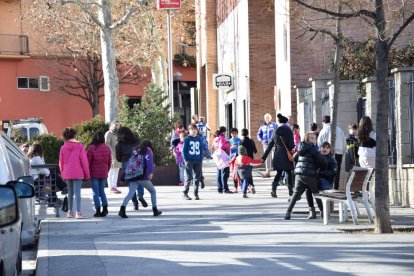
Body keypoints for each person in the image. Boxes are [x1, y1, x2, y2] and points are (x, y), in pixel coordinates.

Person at [285, 132, 327, 220]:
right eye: (312, 138)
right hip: (310, 174)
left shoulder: (300, 146)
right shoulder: (313, 148)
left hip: (299, 174)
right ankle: (323, 212)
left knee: (296, 193)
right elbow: (322, 160)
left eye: (314, 138)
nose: (313, 140)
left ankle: (288, 212)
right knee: (316, 193)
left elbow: (295, 157)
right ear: (308, 139)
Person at [118, 139, 162, 218]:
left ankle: (122, 210)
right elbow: (149, 162)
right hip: (142, 177)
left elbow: (129, 164)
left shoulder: (135, 151)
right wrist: (151, 172)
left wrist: (123, 177)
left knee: (130, 193)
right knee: (153, 191)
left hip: (132, 176)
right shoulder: (148, 151)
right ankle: (155, 210)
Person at [59, 128, 90, 219]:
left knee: (70, 192)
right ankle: (78, 212)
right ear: (74, 135)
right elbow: (84, 161)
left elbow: (61, 162)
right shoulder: (80, 146)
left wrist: (63, 174)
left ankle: (69, 212)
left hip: (67, 173)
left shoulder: (63, 147)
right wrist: (87, 174)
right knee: (77, 193)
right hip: (78, 172)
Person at [261, 114, 294, 198]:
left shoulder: (275, 131)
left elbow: (270, 145)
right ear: (286, 122)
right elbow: (291, 145)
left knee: (278, 173)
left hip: (277, 154)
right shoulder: (289, 130)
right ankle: (291, 191)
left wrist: (263, 158)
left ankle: (273, 189)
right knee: (289, 173)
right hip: (286, 154)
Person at [115, 127, 147, 210]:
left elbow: (118, 158)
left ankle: (134, 203)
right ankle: (140, 195)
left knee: (131, 184)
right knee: (140, 181)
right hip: (137, 163)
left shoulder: (119, 145)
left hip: (126, 164)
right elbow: (142, 152)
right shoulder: (137, 141)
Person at [305, 141, 337, 219]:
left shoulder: (332, 160)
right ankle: (312, 210)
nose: (325, 149)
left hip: (326, 182)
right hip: (317, 180)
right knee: (308, 188)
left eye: (327, 147)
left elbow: (333, 172)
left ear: (330, 150)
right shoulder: (316, 158)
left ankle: (322, 211)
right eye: (323, 147)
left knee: (313, 187)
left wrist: (320, 173)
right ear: (320, 148)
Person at [317, 115, 346, 190]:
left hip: (326, 154)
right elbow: (344, 143)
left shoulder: (323, 131)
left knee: (326, 170)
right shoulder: (339, 129)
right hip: (339, 153)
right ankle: (336, 188)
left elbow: (319, 144)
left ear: (323, 122)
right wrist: (342, 152)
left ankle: (328, 186)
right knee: (336, 171)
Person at [87, 131, 111, 217]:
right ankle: (105, 208)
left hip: (94, 173)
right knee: (102, 191)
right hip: (104, 172)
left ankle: (97, 210)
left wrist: (87, 173)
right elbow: (109, 162)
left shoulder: (91, 148)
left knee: (95, 192)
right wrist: (106, 171)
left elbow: (88, 162)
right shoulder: (107, 148)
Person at [182, 124, 204, 200]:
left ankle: (196, 193)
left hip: (198, 160)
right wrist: (186, 159)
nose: (194, 131)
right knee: (189, 177)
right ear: (189, 131)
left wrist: (201, 158)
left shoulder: (199, 139)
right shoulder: (187, 139)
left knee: (197, 177)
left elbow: (201, 150)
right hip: (189, 160)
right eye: (192, 129)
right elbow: (183, 150)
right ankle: (185, 193)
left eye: (195, 129)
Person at [212, 126, 233, 194]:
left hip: (218, 157)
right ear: (224, 131)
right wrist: (229, 143)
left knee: (219, 172)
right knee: (225, 173)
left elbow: (213, 146)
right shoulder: (222, 138)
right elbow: (222, 146)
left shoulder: (216, 138)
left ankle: (219, 188)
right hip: (223, 156)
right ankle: (225, 188)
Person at [257, 113, 278, 178]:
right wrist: (261, 140)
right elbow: (259, 134)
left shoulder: (275, 125)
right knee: (267, 158)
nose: (267, 119)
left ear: (271, 118)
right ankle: (267, 172)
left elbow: (278, 133)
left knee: (275, 157)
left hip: (274, 144)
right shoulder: (262, 126)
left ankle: (277, 171)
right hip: (266, 144)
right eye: (266, 118)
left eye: (268, 117)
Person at [105, 120, 122, 194]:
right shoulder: (109, 133)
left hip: (119, 155)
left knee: (116, 171)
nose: (117, 126)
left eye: (118, 125)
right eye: (115, 125)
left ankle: (114, 187)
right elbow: (107, 144)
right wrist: (112, 152)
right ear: (112, 125)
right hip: (111, 155)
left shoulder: (119, 134)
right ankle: (110, 187)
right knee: (111, 171)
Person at [240, 128, 258, 193]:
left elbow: (239, 152)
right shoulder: (251, 141)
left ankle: (248, 186)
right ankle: (251, 185)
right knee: (249, 173)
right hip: (250, 160)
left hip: (243, 160)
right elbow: (255, 151)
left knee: (244, 174)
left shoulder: (241, 142)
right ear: (248, 133)